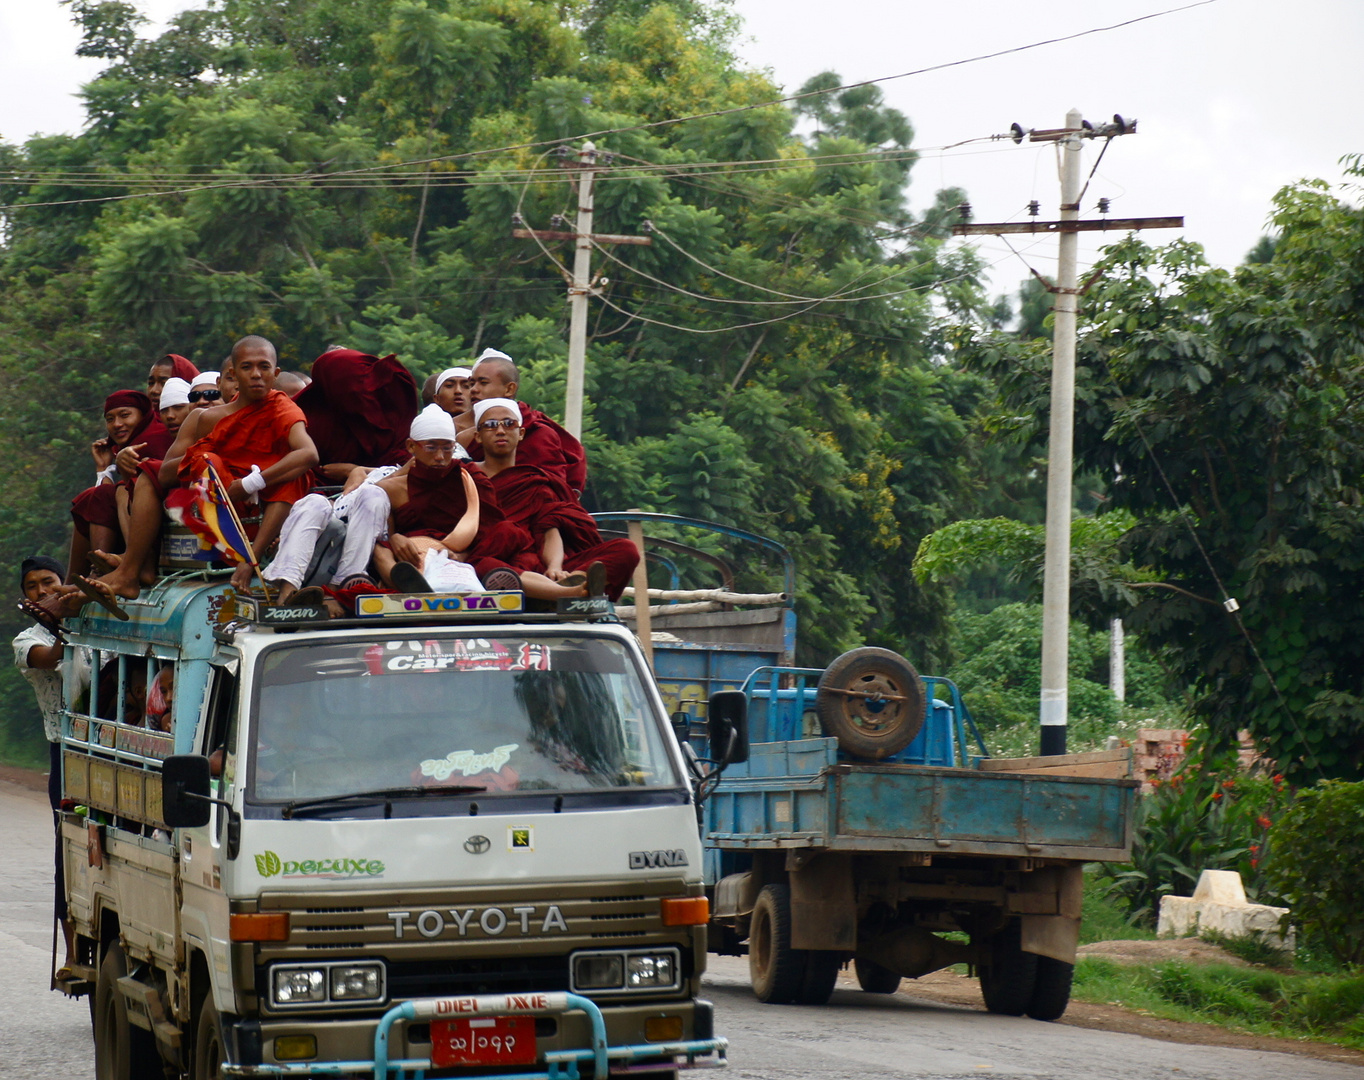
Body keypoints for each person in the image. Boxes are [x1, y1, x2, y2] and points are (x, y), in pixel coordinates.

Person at [84, 336, 320, 601]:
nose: (256, 375)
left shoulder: (281, 408)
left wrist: (250, 483)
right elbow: (164, 474)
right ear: (231, 374)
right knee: (164, 469)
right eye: (247, 368)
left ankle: (250, 558)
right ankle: (130, 571)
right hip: (217, 506)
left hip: (264, 514)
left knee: (295, 474)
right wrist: (207, 460)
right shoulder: (204, 418)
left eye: (264, 367)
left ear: (275, 373)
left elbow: (308, 454)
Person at [371, 405, 600, 599]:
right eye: (431, 448)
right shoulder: (389, 488)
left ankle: (573, 592)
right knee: (380, 550)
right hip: (415, 555)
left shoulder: (469, 479)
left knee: (496, 555)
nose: (440, 457)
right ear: (411, 447)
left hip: (461, 557)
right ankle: (406, 584)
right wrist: (396, 538)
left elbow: (489, 531)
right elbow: (384, 534)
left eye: (447, 448)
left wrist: (462, 555)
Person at [12, 556, 90, 978]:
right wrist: (66, 623)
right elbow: (53, 656)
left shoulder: (96, 621)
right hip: (67, 757)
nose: (41, 592)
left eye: (49, 582)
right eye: (32, 587)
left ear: (65, 584)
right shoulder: (27, 641)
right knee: (69, 852)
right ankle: (74, 952)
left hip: (110, 750)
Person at [475, 398, 636, 600]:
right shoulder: (468, 477)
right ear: (478, 436)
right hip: (500, 564)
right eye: (490, 425)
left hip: (541, 568)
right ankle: (570, 594)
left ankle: (575, 582)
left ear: (521, 433)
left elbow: (550, 528)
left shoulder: (535, 480)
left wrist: (555, 567)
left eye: (509, 424)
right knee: (485, 565)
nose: (500, 431)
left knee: (626, 550)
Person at [67, 390, 174, 582]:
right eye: (110, 419)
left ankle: (119, 570)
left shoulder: (155, 438)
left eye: (125, 415)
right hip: (140, 524)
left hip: (161, 528)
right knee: (90, 497)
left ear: (144, 415)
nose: (117, 424)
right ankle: (84, 576)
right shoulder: (125, 448)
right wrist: (103, 469)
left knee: (116, 491)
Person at [461, 349, 587, 494]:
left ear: (509, 389)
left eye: (483, 383)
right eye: (471, 384)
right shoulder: (462, 432)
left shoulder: (539, 434)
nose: (473, 390)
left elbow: (552, 491)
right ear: (478, 435)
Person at [294, 348, 419, 482]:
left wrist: (355, 470)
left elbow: (406, 469)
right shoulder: (301, 422)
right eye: (350, 383)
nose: (361, 391)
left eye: (364, 382)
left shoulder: (385, 416)